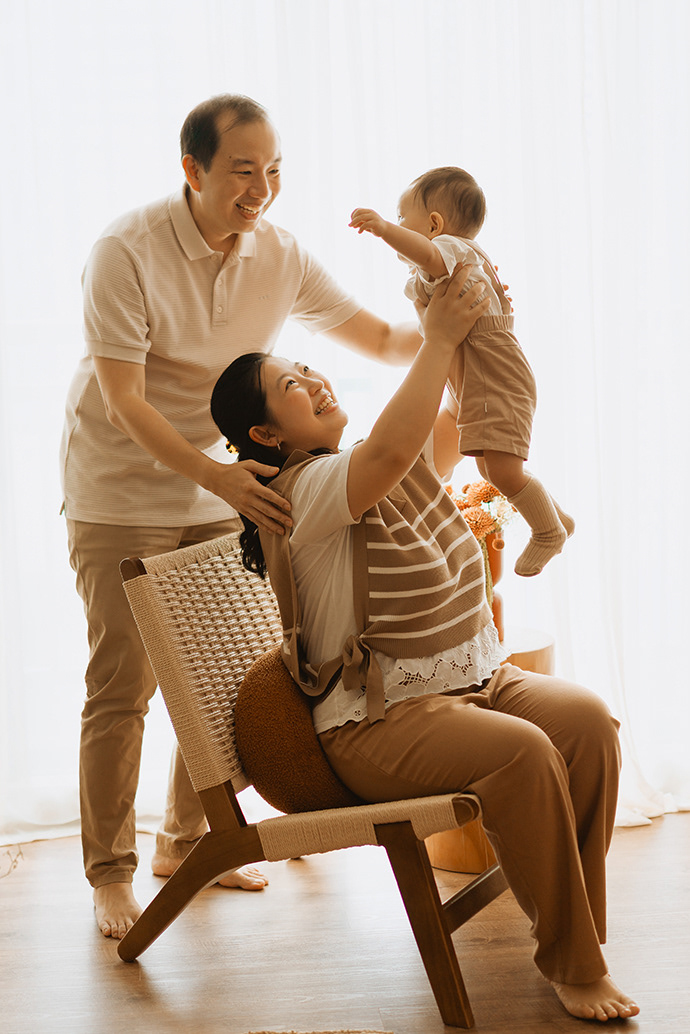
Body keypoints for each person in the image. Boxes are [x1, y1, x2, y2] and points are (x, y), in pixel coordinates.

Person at [209, 265, 639, 1023]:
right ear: (266, 435)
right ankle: (575, 961)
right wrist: (438, 336)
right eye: (291, 384)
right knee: (524, 754)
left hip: (468, 682)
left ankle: (575, 933)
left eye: (307, 367)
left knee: (588, 724)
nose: (314, 380)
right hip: (379, 721)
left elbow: (451, 420)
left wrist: (477, 327)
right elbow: (393, 452)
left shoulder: (371, 466)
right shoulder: (300, 492)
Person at [60, 93, 428, 940]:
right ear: (192, 170)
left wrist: (454, 314)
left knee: (227, 675)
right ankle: (110, 875)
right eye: (242, 171)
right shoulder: (125, 249)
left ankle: (187, 842)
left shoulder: (281, 254)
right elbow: (123, 401)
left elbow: (382, 341)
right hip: (120, 484)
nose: (260, 189)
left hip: (222, 481)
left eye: (274, 171)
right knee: (123, 684)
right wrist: (218, 479)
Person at [350, 166, 575, 577]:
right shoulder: (449, 267)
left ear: (434, 225)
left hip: (497, 378)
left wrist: (383, 229)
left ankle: (548, 532)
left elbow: (428, 254)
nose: (397, 224)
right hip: (481, 380)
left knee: (502, 470)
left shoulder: (451, 249)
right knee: (490, 468)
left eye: (402, 217)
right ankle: (554, 519)